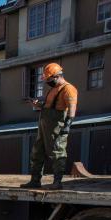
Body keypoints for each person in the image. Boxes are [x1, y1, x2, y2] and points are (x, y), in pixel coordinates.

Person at [21, 63, 78, 191]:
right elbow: (48, 106)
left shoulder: (68, 89)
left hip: (57, 127)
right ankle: (35, 181)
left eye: (49, 79)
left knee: (58, 153)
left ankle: (57, 182)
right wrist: (38, 105)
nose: (48, 82)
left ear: (58, 76)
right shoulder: (53, 89)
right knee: (37, 152)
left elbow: (72, 108)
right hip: (44, 126)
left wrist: (67, 125)